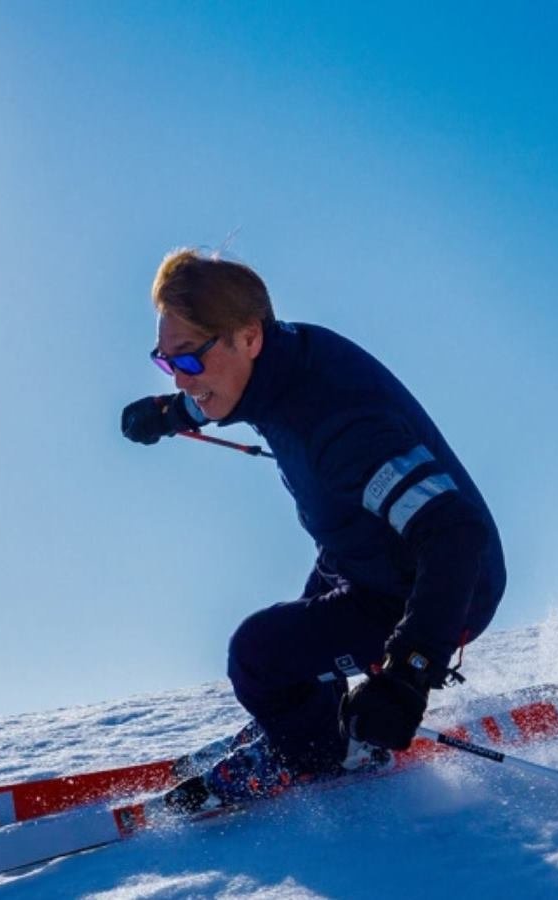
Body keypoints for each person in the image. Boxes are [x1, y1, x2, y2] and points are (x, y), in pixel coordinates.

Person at [121, 249, 506, 803]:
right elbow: (221, 393)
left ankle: (325, 756)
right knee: (297, 644)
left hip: (441, 587)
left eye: (188, 360)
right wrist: (167, 416)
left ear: (248, 337)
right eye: (166, 362)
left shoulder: (341, 428)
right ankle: (305, 720)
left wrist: (407, 675)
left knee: (257, 656)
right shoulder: (272, 360)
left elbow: (456, 535)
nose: (182, 379)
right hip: (363, 554)